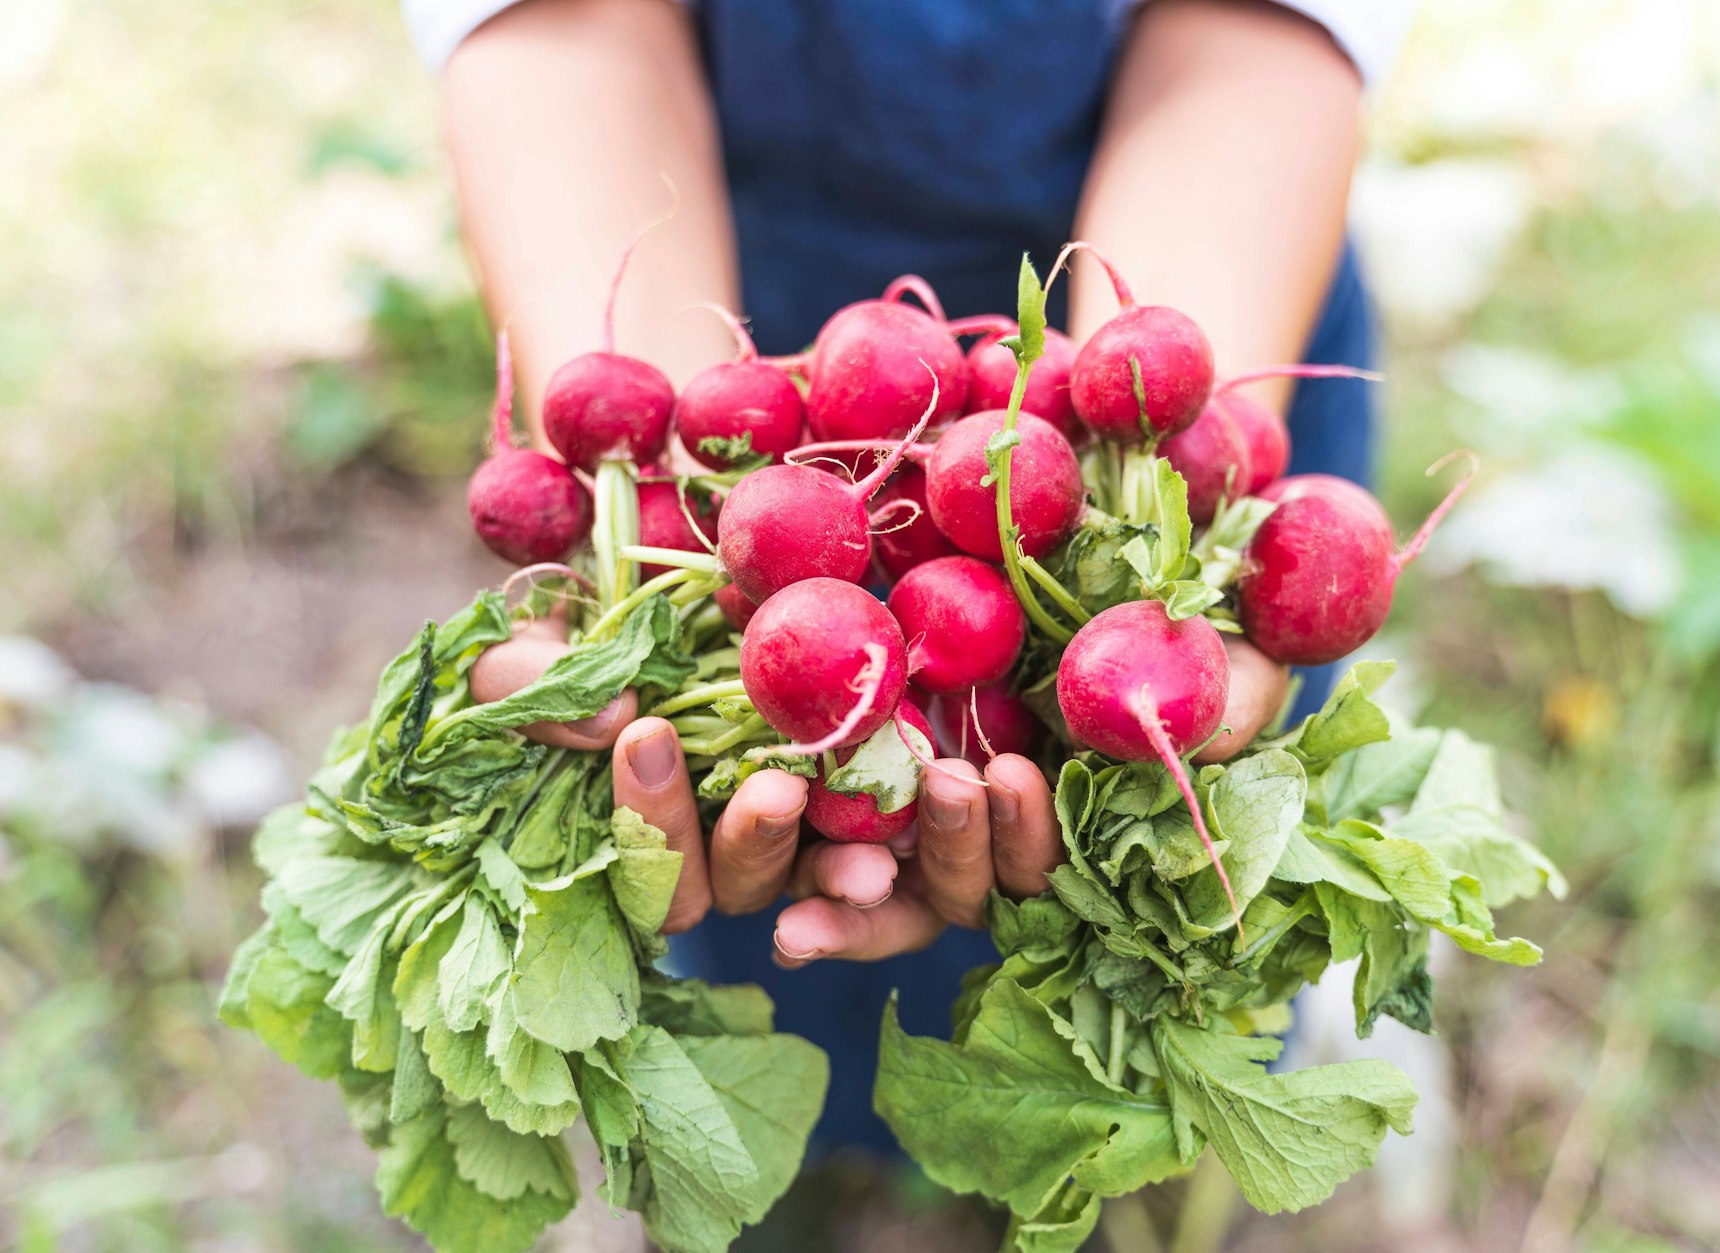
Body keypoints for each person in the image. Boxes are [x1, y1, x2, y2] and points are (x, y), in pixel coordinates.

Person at [404, 0, 1410, 1151]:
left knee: (1171, 882)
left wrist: (1159, 454)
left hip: (1213, 242)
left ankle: (1142, 1152)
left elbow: (1251, 34)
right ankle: (803, 1167)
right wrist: (661, 486)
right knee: (744, 849)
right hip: (740, 321)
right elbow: (567, 26)